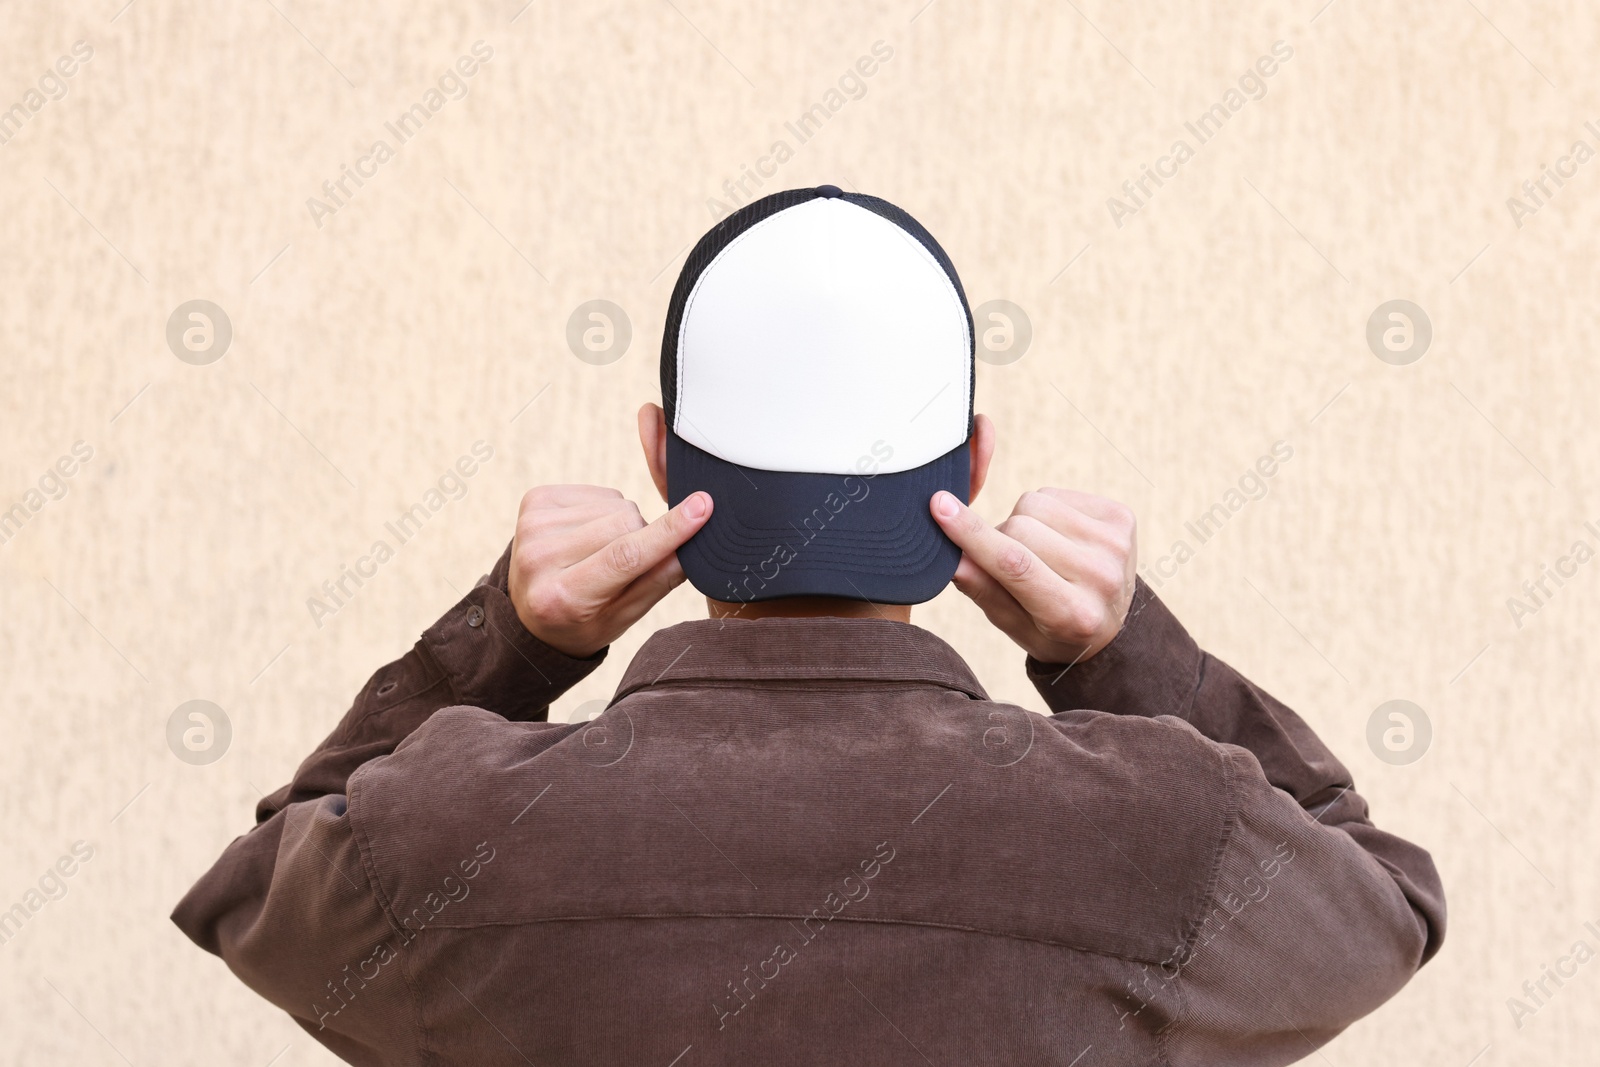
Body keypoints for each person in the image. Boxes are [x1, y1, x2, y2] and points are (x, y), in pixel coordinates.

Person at [174, 187, 1444, 1066]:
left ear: (661, 456)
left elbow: (255, 883)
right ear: (977, 458)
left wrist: (513, 636)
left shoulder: (447, 827)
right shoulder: (1164, 827)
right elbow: (1382, 897)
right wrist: (1113, 647)